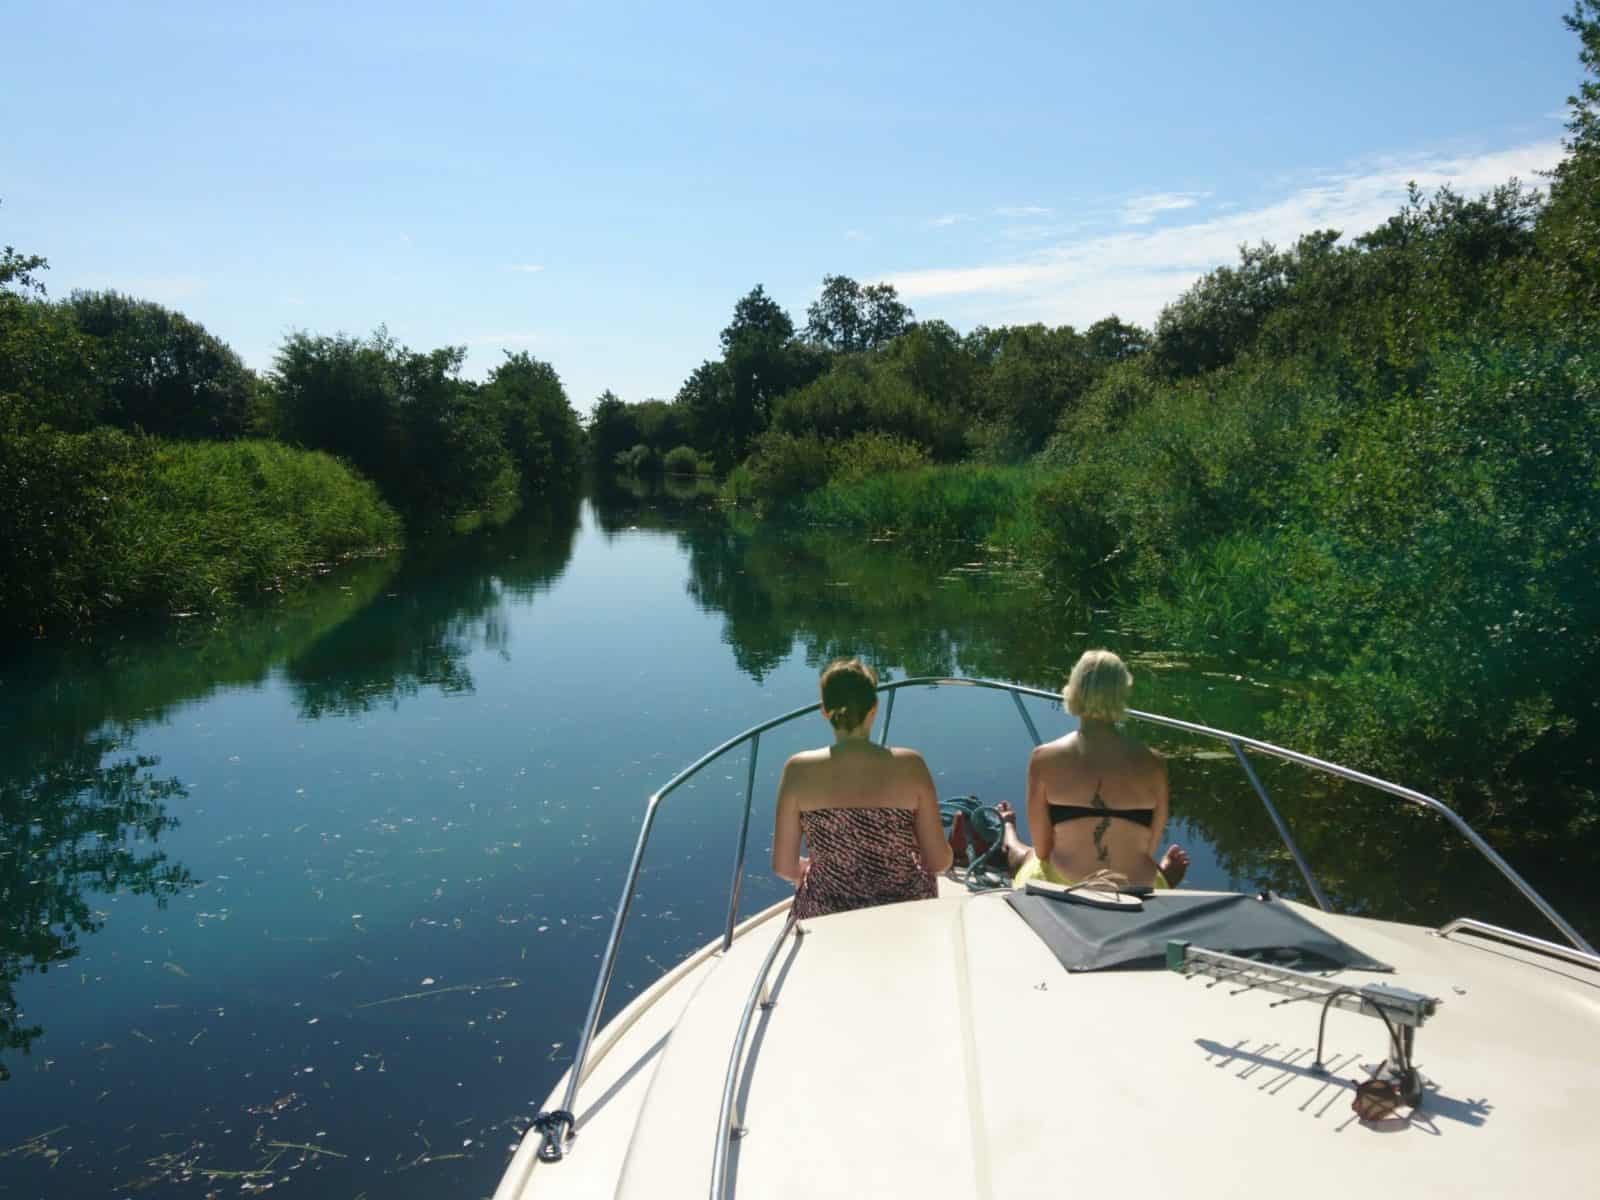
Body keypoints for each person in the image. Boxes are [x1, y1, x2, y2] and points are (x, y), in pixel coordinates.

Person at [772, 658, 953, 919]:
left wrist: (804, 869)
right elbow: (938, 862)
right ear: (874, 708)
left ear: (825, 710)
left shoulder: (798, 770)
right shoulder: (911, 765)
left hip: (826, 913)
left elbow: (784, 866)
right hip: (904, 910)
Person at [998, 649, 1190, 889]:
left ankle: (1006, 832)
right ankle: (1164, 877)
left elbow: (1044, 849)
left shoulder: (1044, 758)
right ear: (1122, 693)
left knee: (1031, 856)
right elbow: (1148, 847)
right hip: (1138, 888)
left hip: (1065, 887)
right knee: (1146, 863)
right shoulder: (1154, 763)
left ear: (1074, 690)